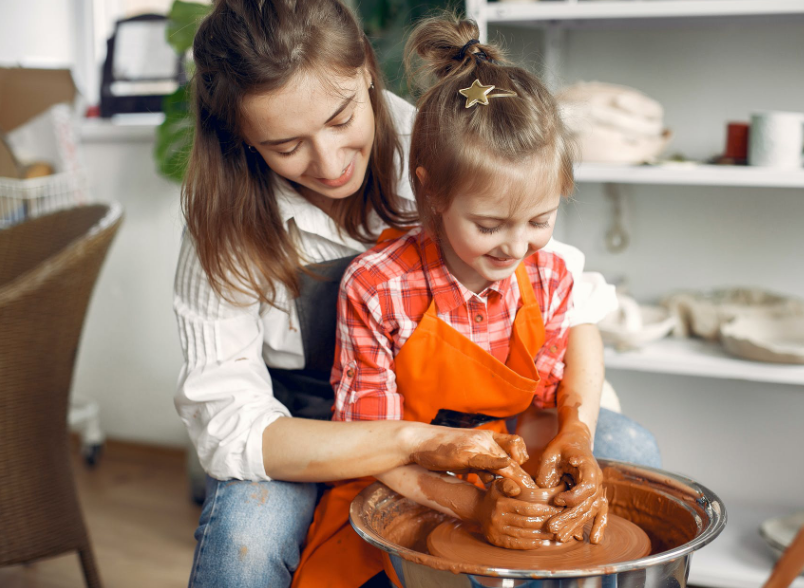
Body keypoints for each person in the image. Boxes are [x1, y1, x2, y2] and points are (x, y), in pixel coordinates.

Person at [173, 1, 660, 587]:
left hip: (480, 421)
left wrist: (574, 426)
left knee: (627, 449)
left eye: (340, 116)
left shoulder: (453, 140)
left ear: (368, 72)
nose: (329, 164)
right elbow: (231, 426)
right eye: (285, 145)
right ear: (245, 138)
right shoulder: (225, 225)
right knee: (244, 542)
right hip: (311, 431)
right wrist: (418, 445)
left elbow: (564, 294)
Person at [292, 16, 617, 587]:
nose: (517, 246)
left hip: (502, 462)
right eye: (490, 225)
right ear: (433, 193)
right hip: (397, 475)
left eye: (541, 219)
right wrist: (468, 507)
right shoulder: (377, 287)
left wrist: (573, 438)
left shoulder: (546, 274)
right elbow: (372, 444)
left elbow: (543, 408)